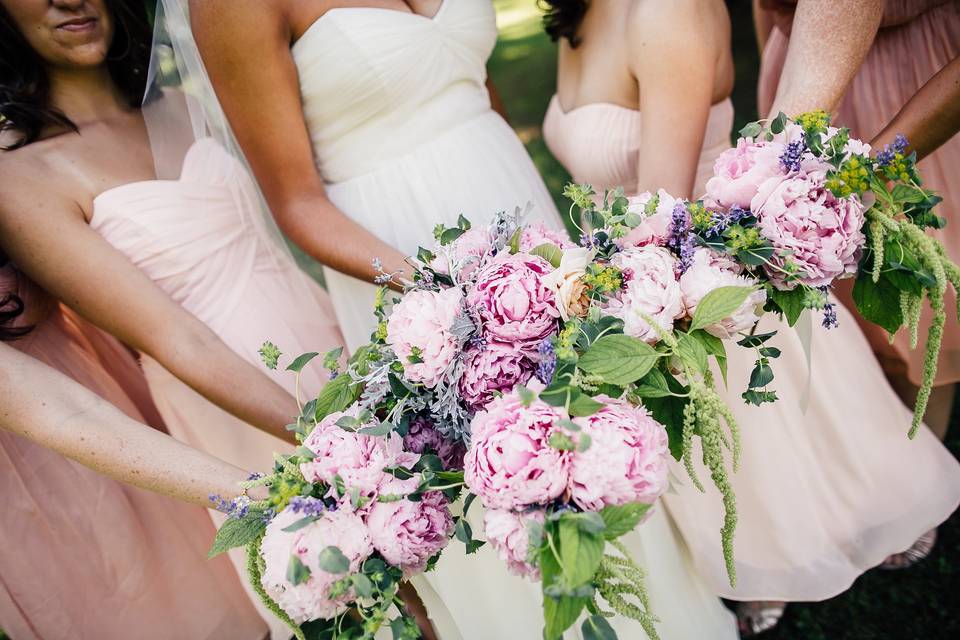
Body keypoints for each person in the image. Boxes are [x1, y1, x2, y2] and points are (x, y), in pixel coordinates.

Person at [540, 0, 960, 636]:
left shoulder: (665, 14)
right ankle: (755, 560)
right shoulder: (580, 12)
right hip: (620, 267)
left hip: (696, 269)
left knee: (769, 438)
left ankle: (826, 536)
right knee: (731, 456)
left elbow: (664, 215)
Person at [0, 0, 348, 634]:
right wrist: (332, 440)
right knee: (362, 592)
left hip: (336, 342)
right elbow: (175, 337)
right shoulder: (18, 181)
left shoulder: (190, 103)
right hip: (240, 405)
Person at [0, 260, 268, 639]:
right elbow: (68, 414)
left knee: (216, 571)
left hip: (101, 388)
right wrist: (271, 495)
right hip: (40, 469)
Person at [758, 0, 959, 442]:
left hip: (919, 84)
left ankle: (923, 463)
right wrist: (774, 119)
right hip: (804, 77)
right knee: (837, 317)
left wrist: (866, 171)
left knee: (919, 305)